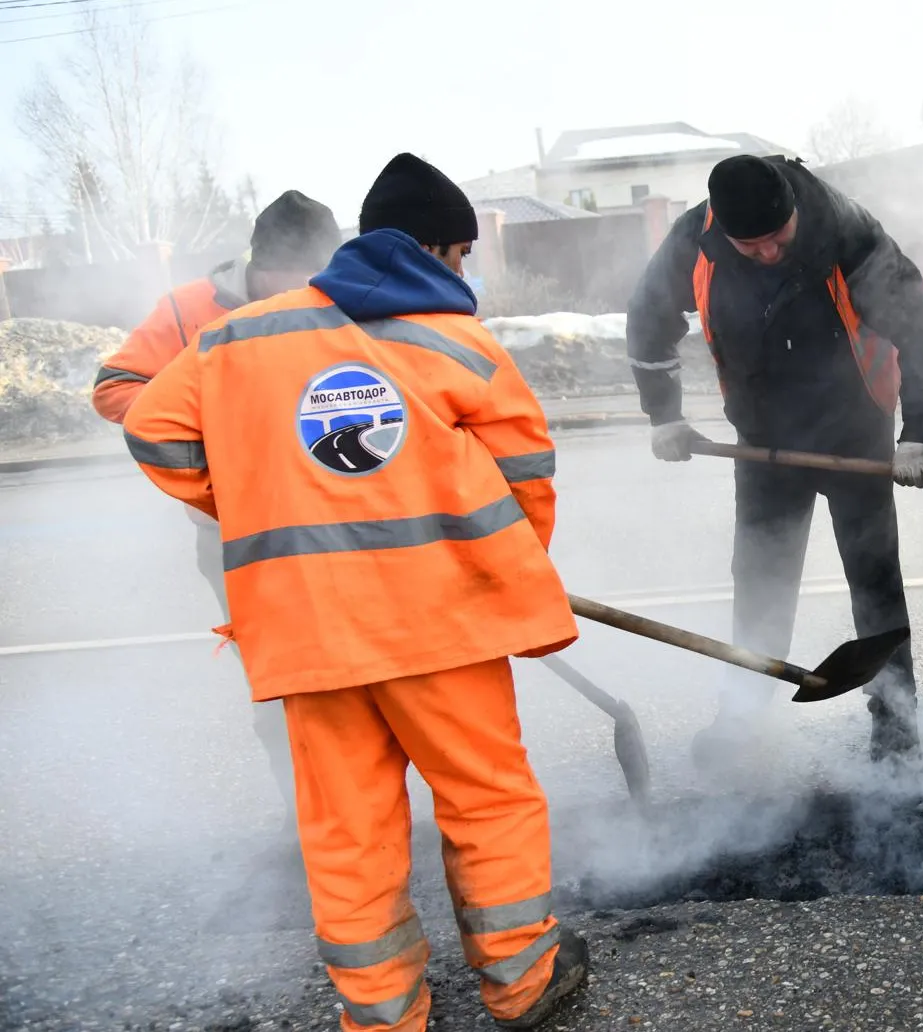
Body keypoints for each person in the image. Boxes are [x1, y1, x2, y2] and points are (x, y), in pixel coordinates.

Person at [122, 153, 588, 1032]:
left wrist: (254, 500)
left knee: (347, 827)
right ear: (439, 250)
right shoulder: (457, 342)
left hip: (308, 632)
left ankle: (383, 1014)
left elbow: (153, 432)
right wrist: (505, 571)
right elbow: (526, 475)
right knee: (487, 801)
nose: (465, 274)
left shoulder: (238, 339)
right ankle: (522, 985)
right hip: (442, 626)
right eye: (463, 255)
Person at [626, 154, 923, 762]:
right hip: (764, 439)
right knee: (760, 580)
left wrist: (920, 432)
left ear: (794, 212)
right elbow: (648, 320)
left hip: (857, 427)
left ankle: (898, 727)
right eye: (751, 246)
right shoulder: (695, 240)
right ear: (723, 231)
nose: (769, 253)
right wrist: (664, 415)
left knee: (875, 577)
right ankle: (745, 719)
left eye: (778, 237)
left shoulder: (846, 230)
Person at [93, 189, 342, 833]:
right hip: (237, 534)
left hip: (342, 522)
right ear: (254, 266)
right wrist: (211, 437)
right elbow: (116, 388)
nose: (297, 300)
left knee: (360, 672)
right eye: (281, 287)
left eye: (312, 283)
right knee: (282, 680)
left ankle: (367, 813)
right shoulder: (186, 312)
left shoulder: (345, 297)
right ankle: (308, 819)